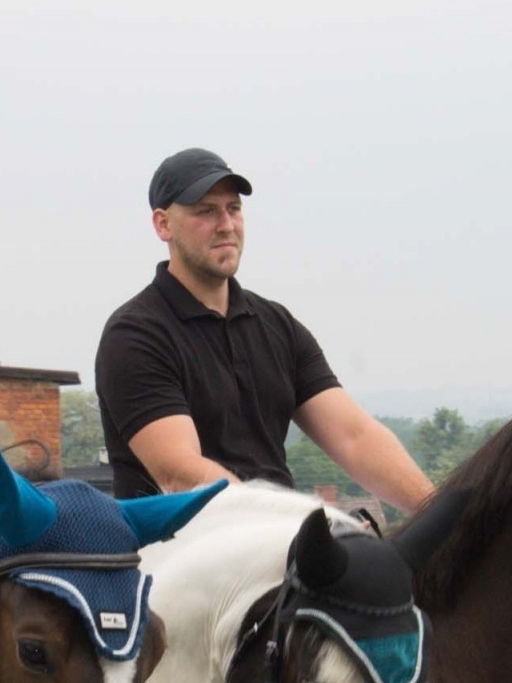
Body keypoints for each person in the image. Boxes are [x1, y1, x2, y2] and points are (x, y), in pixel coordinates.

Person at [95, 147, 434, 513]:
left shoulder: (277, 326)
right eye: (206, 211)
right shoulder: (136, 336)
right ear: (163, 224)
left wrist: (443, 518)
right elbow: (179, 473)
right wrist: (297, 526)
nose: (226, 224)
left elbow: (355, 438)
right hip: (176, 555)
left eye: (233, 209)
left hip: (283, 553)